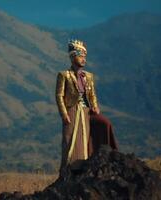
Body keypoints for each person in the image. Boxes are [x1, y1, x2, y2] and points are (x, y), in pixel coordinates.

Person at [55, 39, 119, 177]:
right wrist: (63, 113)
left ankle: (84, 166)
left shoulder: (88, 76)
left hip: (86, 111)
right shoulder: (64, 75)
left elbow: (92, 94)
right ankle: (67, 171)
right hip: (71, 111)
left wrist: (95, 107)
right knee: (70, 139)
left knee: (86, 137)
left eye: (85, 56)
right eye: (80, 56)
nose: (83, 59)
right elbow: (59, 95)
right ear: (73, 57)